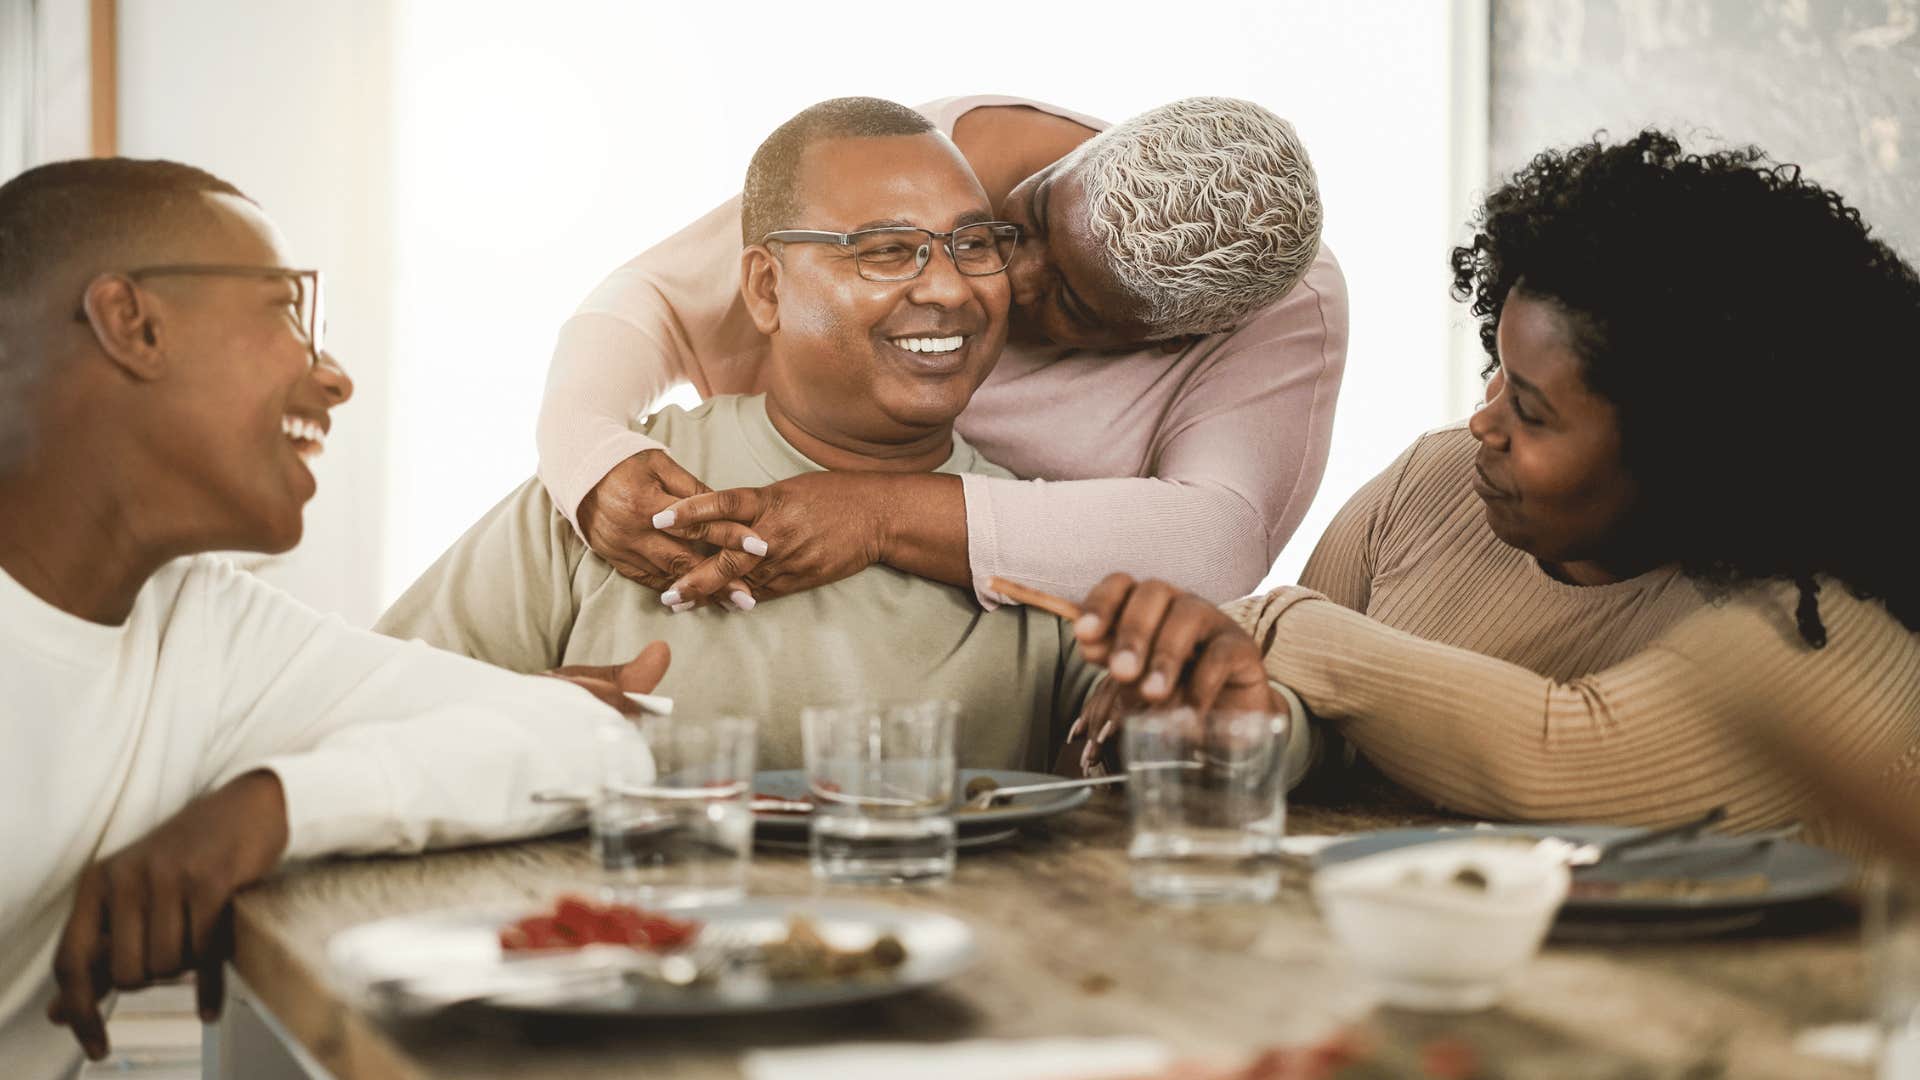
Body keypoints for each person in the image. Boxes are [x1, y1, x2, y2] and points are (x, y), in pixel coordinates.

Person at [1064, 130, 1920, 855]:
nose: (1484, 422)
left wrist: (1273, 621)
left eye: (1533, 411)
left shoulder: (1820, 617)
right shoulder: (1432, 487)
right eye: (1497, 373)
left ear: (1690, 453)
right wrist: (1253, 725)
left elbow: (1565, 757)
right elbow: (1326, 714)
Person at [0, 158, 668, 1079]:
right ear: (134, 325)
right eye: (284, 310)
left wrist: (271, 809)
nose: (335, 377)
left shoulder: (203, 629)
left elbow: (596, 742)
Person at [379, 98, 1100, 770]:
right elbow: (366, 717)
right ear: (765, 289)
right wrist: (518, 725)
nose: (949, 289)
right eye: (885, 249)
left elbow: (1140, 775)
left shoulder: (1046, 541)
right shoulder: (620, 493)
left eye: (973, 245)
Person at [537, 94, 1346, 613]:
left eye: (1069, 301)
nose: (988, 283)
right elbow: (655, 297)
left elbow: (1218, 540)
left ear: (1169, 341)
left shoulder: (1279, 313)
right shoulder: (944, 160)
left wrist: (877, 512)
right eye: (1021, 220)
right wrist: (591, 452)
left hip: (1001, 666)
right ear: (1071, 156)